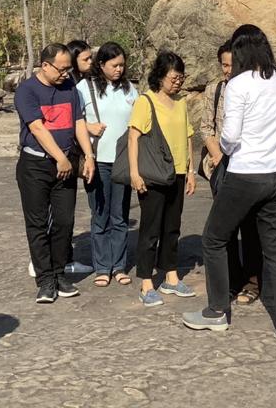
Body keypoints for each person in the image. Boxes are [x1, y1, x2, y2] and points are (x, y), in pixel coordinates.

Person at [182, 24, 276, 347]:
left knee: (214, 238)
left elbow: (230, 136)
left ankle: (217, 310)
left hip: (246, 173)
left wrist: (234, 150)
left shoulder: (238, 85)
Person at [14, 42, 95, 303]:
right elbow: (37, 128)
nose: (65, 74)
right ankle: (45, 279)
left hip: (68, 164)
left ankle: (60, 274)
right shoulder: (27, 91)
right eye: (60, 69)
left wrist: (88, 155)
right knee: (37, 224)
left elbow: (79, 121)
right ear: (45, 65)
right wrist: (60, 157)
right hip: (36, 165)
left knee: (64, 221)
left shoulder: (69, 87)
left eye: (68, 69)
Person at [127, 50, 197, 307]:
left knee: (172, 227)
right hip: (153, 176)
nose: (177, 82)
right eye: (173, 77)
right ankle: (146, 282)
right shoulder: (146, 102)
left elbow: (189, 136)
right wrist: (135, 173)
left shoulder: (181, 103)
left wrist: (190, 171)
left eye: (181, 77)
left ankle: (171, 276)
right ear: (160, 76)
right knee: (150, 229)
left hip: (177, 173)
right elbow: (133, 138)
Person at [202, 41, 262, 304]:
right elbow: (206, 127)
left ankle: (253, 281)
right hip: (221, 166)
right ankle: (231, 278)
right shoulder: (214, 89)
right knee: (223, 227)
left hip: (247, 164)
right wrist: (217, 156)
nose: (226, 70)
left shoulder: (252, 88)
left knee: (250, 226)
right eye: (223, 65)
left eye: (230, 64)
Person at [77, 42, 138, 288]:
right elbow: (76, 121)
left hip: (123, 161)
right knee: (100, 215)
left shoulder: (129, 89)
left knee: (120, 215)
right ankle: (102, 267)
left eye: (122, 65)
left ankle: (119, 265)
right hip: (97, 161)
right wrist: (89, 127)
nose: (119, 70)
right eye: (114, 65)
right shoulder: (84, 88)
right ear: (101, 64)